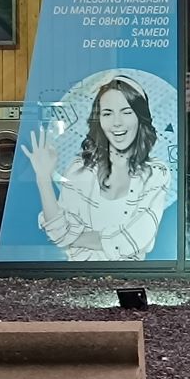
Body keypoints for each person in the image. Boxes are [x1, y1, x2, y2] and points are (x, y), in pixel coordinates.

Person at [20, 75, 171, 261]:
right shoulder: (79, 169)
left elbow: (136, 239)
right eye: (107, 113)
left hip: (132, 276)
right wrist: (43, 179)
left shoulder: (156, 173)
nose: (117, 122)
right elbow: (58, 233)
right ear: (98, 120)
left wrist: (74, 238)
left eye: (126, 112)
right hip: (78, 278)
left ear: (140, 118)